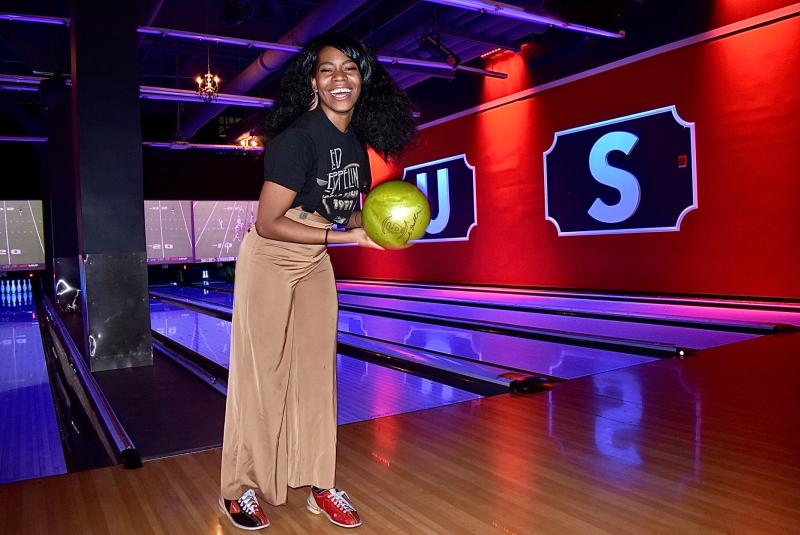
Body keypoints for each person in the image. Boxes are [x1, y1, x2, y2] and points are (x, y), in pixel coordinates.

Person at [219, 33, 415, 530]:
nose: (339, 78)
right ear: (313, 82)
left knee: (316, 379)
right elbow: (269, 222)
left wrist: (375, 230)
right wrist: (348, 239)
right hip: (271, 257)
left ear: (362, 79)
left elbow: (343, 217)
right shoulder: (298, 138)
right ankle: (239, 488)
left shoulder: (355, 146)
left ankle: (319, 483)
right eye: (327, 70)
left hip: (315, 260)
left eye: (349, 69)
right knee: (261, 377)